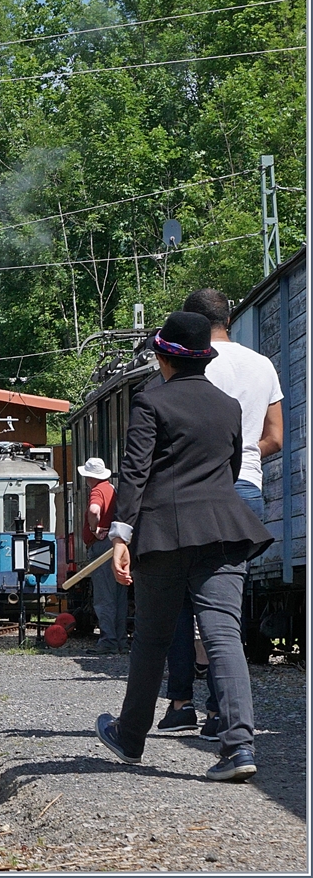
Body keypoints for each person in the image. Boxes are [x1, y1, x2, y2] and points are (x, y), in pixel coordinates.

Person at [96, 312, 272, 782]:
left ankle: (131, 736)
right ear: (205, 358)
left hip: (164, 536)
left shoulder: (150, 402)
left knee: (152, 639)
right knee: (223, 636)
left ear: (163, 356)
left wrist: (121, 534)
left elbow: (135, 473)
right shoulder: (228, 406)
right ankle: (239, 748)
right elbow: (233, 469)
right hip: (224, 530)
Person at [157, 287, 285, 738]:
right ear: (227, 318)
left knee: (178, 601)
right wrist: (240, 453)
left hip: (192, 492)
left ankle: (180, 703)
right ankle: (219, 713)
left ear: (190, 326)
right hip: (246, 489)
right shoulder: (262, 364)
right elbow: (275, 438)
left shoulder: (190, 362)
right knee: (223, 608)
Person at [78, 457, 123, 655]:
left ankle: (108, 641)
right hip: (116, 544)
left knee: (104, 597)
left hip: (101, 546)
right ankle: (121, 640)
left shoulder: (97, 491)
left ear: (89, 477)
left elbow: (94, 510)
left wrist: (93, 528)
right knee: (118, 596)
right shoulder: (112, 488)